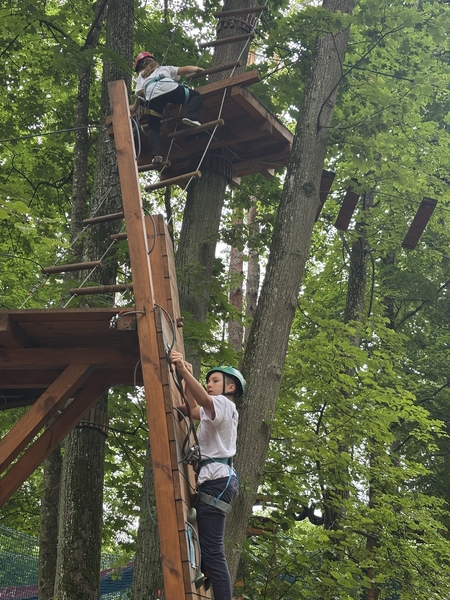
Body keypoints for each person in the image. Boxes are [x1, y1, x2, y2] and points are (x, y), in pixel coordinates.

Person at [170, 350, 245, 600]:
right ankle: (207, 570)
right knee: (209, 545)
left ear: (230, 387)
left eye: (215, 381)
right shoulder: (220, 410)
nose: (209, 384)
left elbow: (201, 400)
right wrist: (187, 378)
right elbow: (190, 408)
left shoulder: (224, 403)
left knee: (214, 551)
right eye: (208, 381)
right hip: (219, 480)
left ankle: (213, 576)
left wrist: (183, 372)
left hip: (217, 481)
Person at [130, 51, 205, 164]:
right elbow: (184, 69)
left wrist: (134, 108)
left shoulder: (141, 76)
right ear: (154, 62)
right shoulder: (164, 69)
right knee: (195, 96)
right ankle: (190, 116)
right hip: (170, 88)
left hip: (152, 96)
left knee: (153, 127)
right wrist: (197, 69)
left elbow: (140, 94)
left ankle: (157, 154)